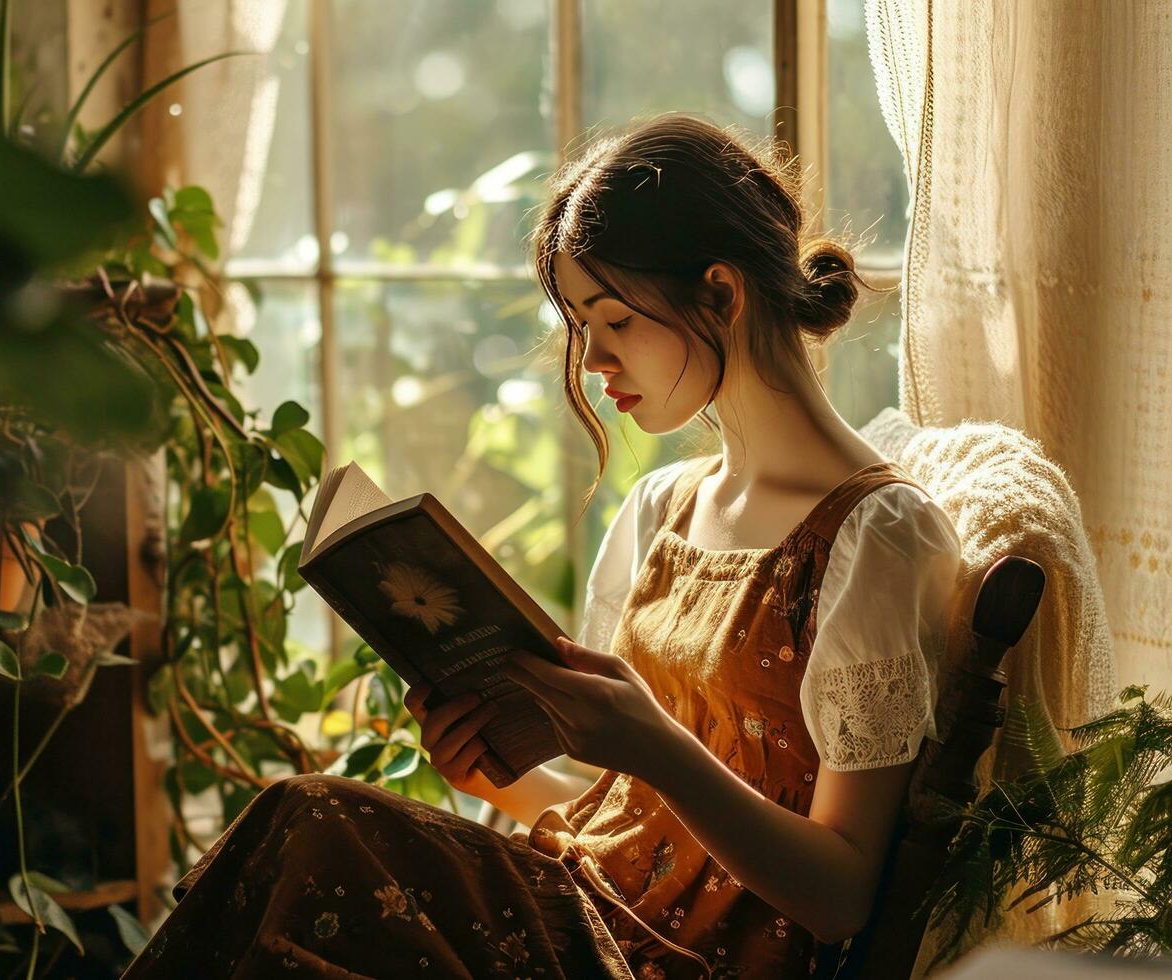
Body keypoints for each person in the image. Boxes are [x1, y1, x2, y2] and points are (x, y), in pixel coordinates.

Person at [123, 111, 961, 980]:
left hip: (678, 962)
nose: (592, 357)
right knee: (290, 845)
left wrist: (650, 742)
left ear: (719, 293)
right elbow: (622, 814)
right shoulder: (662, 509)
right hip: (582, 909)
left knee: (313, 823)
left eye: (612, 318)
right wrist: (496, 778)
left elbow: (842, 896)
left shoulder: (875, 534)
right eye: (578, 324)